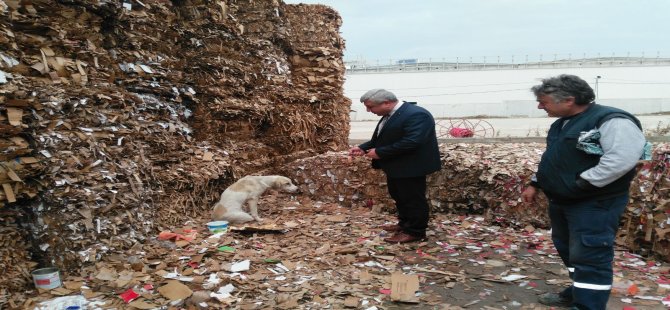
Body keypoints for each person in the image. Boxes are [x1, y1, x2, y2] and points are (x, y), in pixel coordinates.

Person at [521, 75, 646, 310]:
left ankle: (588, 305)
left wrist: (581, 185)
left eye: (543, 101)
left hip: (593, 203)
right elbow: (554, 159)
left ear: (569, 100)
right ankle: (580, 290)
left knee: (591, 254)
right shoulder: (562, 123)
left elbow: (621, 160)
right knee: (570, 250)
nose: (540, 106)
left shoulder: (612, 121)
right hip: (564, 201)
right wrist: (535, 183)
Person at [349, 89, 441, 243]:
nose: (368, 110)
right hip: (397, 166)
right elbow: (383, 138)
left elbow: (412, 142)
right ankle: (405, 224)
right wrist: (363, 148)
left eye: (370, 107)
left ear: (386, 103)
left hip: (411, 167)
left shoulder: (417, 115)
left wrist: (380, 152)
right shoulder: (390, 114)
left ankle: (416, 231)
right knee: (399, 196)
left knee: (412, 199)